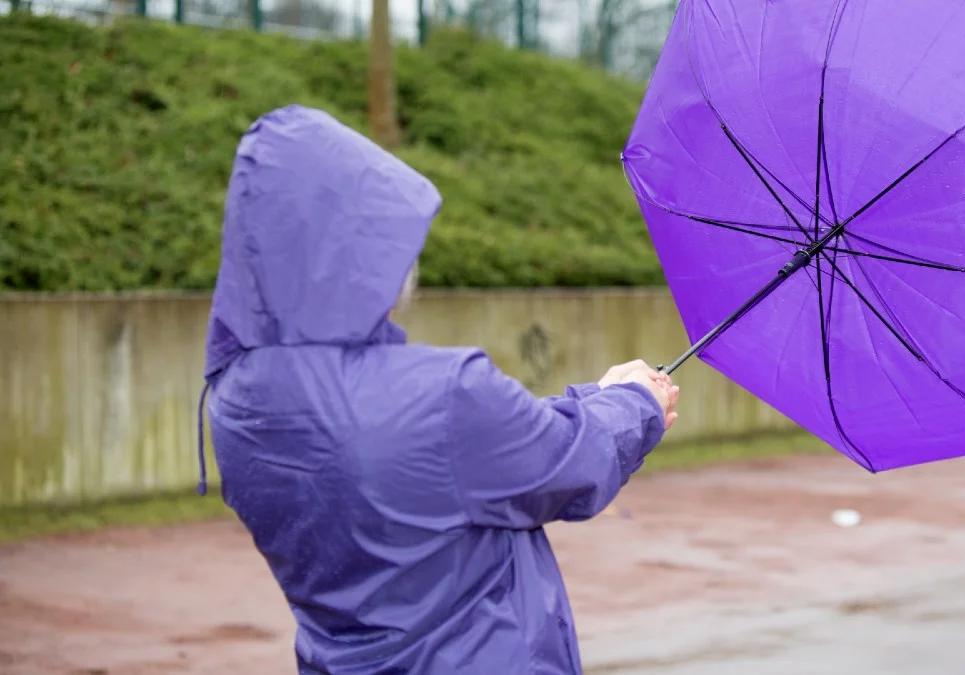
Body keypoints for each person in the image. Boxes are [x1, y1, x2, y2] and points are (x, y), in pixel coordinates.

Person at [200, 105, 679, 674]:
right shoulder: (444, 394)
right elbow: (564, 463)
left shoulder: (235, 400)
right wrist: (634, 404)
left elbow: (464, 455)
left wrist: (591, 402)